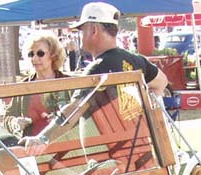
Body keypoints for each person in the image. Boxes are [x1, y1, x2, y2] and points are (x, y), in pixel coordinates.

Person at [22, 2, 167, 153]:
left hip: (110, 158)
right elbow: (161, 82)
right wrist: (146, 110)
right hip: (141, 151)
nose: (81, 36)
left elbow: (74, 110)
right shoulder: (136, 60)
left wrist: (42, 138)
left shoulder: (97, 69)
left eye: (82, 30)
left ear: (94, 30)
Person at [2, 32, 71, 138]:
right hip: (33, 147)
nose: (34, 58)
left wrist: (62, 119)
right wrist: (15, 123)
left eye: (40, 53)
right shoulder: (23, 87)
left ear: (53, 55)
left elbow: (82, 113)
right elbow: (7, 117)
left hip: (65, 143)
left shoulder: (69, 82)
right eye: (31, 54)